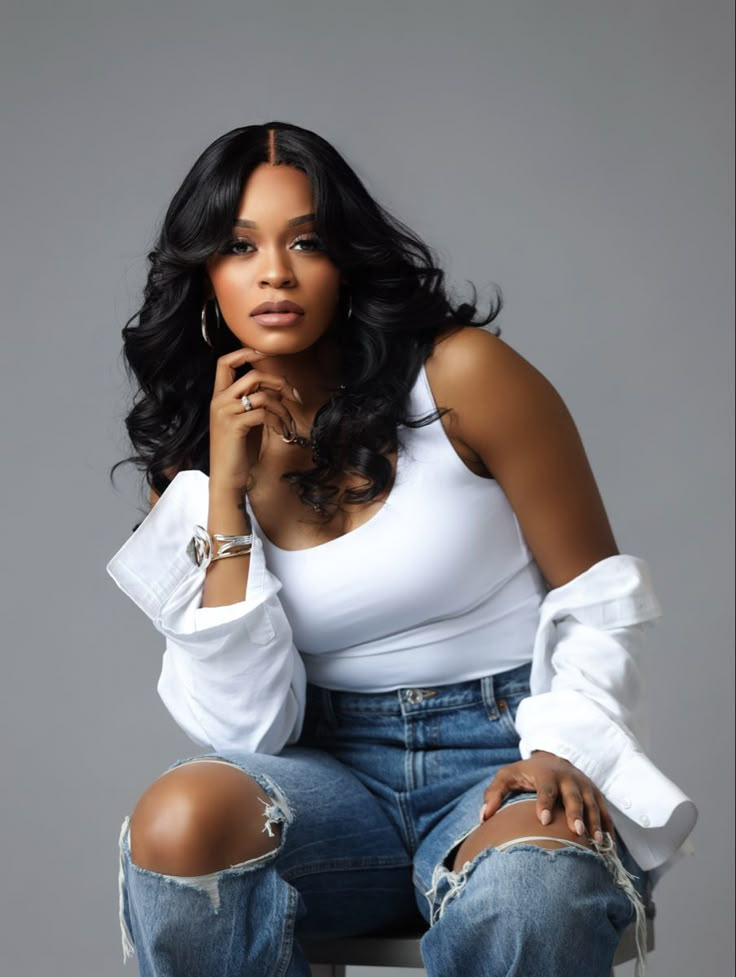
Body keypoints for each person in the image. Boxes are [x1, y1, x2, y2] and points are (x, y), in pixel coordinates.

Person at [107, 121, 697, 977]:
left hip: (503, 751)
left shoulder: (461, 379)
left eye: (305, 239)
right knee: (178, 822)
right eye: (240, 247)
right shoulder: (193, 468)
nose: (275, 271)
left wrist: (562, 747)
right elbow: (247, 732)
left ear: (345, 257)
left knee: (530, 894)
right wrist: (226, 495)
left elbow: (596, 598)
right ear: (206, 277)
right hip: (326, 780)